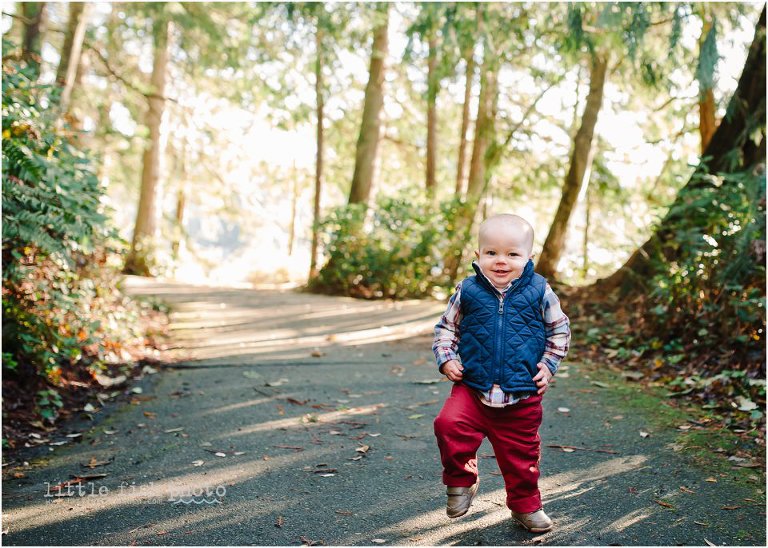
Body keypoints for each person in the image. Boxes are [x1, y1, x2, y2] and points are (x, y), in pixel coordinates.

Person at [432, 213, 571, 533]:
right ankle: (461, 482)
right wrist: (446, 358)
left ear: (528, 258)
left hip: (521, 391)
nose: (501, 260)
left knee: (521, 457)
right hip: (472, 387)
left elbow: (559, 331)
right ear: (477, 256)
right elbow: (445, 330)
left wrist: (548, 365)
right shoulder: (467, 290)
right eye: (491, 252)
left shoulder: (539, 290)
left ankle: (525, 506)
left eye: (512, 253)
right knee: (448, 424)